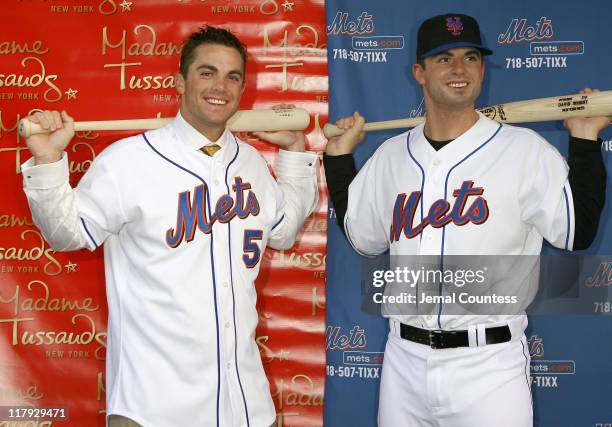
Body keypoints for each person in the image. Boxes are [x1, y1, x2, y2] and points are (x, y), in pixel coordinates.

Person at [21, 26, 318, 427]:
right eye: (207, 72)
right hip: (155, 408)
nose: (220, 86)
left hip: (247, 406)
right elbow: (67, 232)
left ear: (243, 87)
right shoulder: (128, 160)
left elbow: (284, 227)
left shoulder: (250, 164)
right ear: (180, 81)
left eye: (232, 76)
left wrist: (295, 154)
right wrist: (48, 161)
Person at [323, 13, 608, 427]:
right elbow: (362, 236)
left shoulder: (524, 150)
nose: (460, 69)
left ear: (481, 68)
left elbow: (577, 233)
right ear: (418, 72)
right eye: (444, 58)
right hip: (404, 359)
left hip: (489, 365)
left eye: (471, 57)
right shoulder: (390, 156)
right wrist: (338, 159)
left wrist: (583, 140)